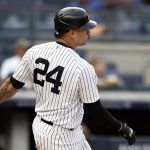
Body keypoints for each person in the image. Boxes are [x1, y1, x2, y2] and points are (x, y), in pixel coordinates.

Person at [0, 7, 136, 150]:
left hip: (61, 129)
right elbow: (96, 111)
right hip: (58, 136)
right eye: (84, 28)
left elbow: (10, 86)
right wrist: (122, 128)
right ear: (72, 33)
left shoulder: (35, 51)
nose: (88, 31)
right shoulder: (82, 67)